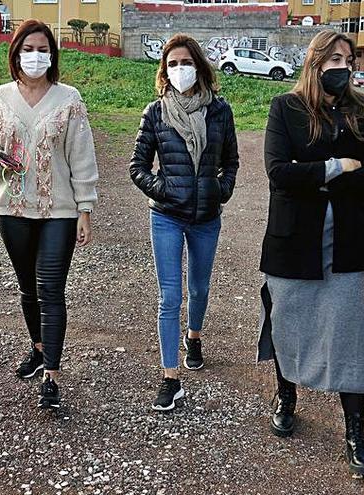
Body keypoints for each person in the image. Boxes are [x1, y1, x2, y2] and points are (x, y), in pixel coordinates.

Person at [257, 30, 364, 478]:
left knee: (348, 333)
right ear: (314, 62)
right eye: (333, 58)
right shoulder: (285, 108)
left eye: (348, 59)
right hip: (293, 241)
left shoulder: (363, 110)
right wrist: (336, 167)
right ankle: (285, 394)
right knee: (288, 322)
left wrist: (311, 175)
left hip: (346, 243)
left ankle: (356, 432)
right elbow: (277, 172)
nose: (342, 66)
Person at [0, 19, 98, 411]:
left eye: (43, 49)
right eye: (28, 49)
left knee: (50, 289)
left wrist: (85, 208)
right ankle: (38, 347)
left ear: (53, 55)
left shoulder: (69, 99)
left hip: (59, 211)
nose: (35, 56)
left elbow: (82, 156)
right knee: (27, 288)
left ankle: (52, 375)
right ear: (15, 54)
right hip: (12, 209)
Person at [129, 34, 239, 412]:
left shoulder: (220, 111)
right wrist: (164, 190)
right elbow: (137, 166)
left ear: (200, 66)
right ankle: (169, 378)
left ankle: (194, 337)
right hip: (166, 217)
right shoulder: (155, 112)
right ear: (164, 71)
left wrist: (219, 190)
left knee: (200, 289)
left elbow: (232, 161)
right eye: (172, 64)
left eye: (186, 62)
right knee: (169, 297)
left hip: (207, 217)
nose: (180, 70)